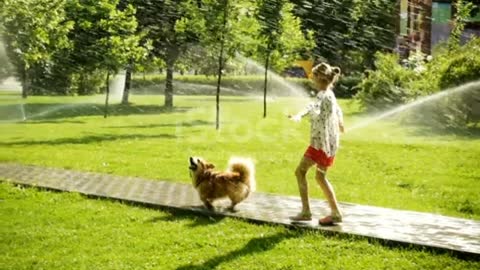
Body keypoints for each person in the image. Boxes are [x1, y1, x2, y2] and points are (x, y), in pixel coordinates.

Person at [288, 62, 344, 226]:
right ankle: (335, 213)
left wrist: (301, 116)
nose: (312, 79)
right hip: (329, 144)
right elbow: (335, 110)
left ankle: (306, 212)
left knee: (300, 172)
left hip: (320, 144)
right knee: (320, 177)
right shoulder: (329, 94)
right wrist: (341, 122)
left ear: (320, 78)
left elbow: (316, 113)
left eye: (313, 76)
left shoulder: (323, 95)